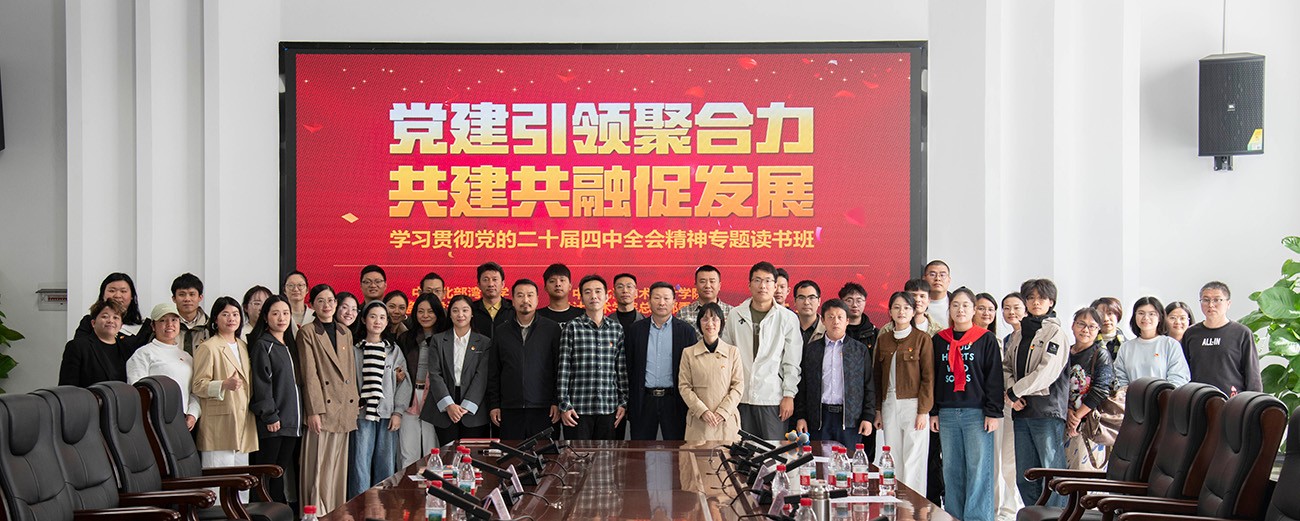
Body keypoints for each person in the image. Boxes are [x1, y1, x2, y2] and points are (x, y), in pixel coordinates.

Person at [931, 287, 1003, 521]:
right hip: (947, 413)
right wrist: (934, 412)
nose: (960, 310)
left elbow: (994, 377)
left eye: (965, 305)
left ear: (973, 310)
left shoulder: (986, 339)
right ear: (949, 310)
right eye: (955, 305)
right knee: (951, 469)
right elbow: (933, 377)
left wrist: (993, 412)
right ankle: (954, 516)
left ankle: (977, 518)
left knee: (978, 469)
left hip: (977, 413)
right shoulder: (939, 340)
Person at [1003, 279, 1070, 507]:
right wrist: (1012, 394)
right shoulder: (1019, 333)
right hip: (1022, 412)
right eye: (1030, 298)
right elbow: (1006, 366)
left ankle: (1057, 516)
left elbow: (1047, 371)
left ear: (1051, 302)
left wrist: (1015, 391)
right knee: (1025, 475)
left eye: (1041, 298)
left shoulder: (1055, 333)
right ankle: (1034, 514)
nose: (1035, 302)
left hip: (1046, 412)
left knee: (1053, 475)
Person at [720, 261, 802, 440]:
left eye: (767, 281)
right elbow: (726, 356)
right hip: (740, 397)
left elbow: (792, 361)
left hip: (772, 398)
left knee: (773, 451)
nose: (762, 286)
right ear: (749, 285)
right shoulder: (735, 314)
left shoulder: (787, 318)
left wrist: (789, 395)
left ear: (775, 286)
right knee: (741, 450)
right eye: (757, 280)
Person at [296, 284, 358, 514]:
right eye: (320, 301)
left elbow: (349, 373)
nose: (326, 305)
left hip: (344, 407)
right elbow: (309, 374)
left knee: (337, 465)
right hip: (322, 407)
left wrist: (354, 405)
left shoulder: (345, 332)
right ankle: (315, 512)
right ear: (312, 304)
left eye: (331, 300)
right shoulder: (307, 332)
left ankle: (335, 509)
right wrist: (313, 410)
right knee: (318, 464)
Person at [191, 297, 258, 499]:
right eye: (225, 314)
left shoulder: (243, 345)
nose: (231, 319)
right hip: (219, 424)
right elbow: (198, 385)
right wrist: (223, 384)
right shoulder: (208, 347)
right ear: (215, 319)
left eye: (235, 314)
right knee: (218, 484)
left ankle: (241, 513)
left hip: (243, 421)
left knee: (241, 483)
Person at [794, 299, 875, 451]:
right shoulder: (812, 350)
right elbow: (803, 385)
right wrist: (801, 416)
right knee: (819, 461)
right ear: (823, 321)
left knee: (847, 462)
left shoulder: (859, 350)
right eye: (830, 317)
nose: (835, 321)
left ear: (847, 321)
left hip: (850, 420)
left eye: (840, 317)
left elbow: (868, 385)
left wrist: (868, 417)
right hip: (819, 419)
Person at [873, 291, 933, 494]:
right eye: (897, 307)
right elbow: (877, 376)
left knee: (914, 457)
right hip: (889, 403)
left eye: (907, 308)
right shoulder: (884, 339)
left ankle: (913, 503)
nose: (902, 312)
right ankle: (896, 500)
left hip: (914, 404)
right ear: (890, 311)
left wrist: (923, 411)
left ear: (914, 311)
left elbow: (928, 377)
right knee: (892, 455)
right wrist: (878, 410)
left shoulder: (922, 339)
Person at [347, 301, 409, 498]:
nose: (377, 321)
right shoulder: (354, 349)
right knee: (360, 463)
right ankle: (359, 504)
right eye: (373, 316)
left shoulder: (393, 350)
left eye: (382, 317)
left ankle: (384, 504)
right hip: (361, 414)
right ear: (364, 319)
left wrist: (398, 412)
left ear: (387, 322)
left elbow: (404, 383)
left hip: (387, 413)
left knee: (386, 464)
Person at [487, 279, 563, 439]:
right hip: (510, 409)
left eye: (530, 295)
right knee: (511, 453)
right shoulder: (501, 331)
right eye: (520, 295)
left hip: (544, 409)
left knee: (545, 453)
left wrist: (556, 401)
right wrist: (494, 404)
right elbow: (494, 371)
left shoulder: (551, 329)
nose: (525, 300)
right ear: (513, 300)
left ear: (537, 299)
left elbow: (559, 368)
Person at [557, 274, 629, 440]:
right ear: (581, 298)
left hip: (609, 408)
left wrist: (623, 403)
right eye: (588, 292)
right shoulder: (572, 327)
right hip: (578, 409)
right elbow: (564, 369)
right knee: (578, 454)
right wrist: (564, 405)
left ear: (607, 296)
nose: (593, 296)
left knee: (607, 455)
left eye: (598, 291)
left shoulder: (616, 329)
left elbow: (621, 370)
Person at [247, 295, 302, 504]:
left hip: (291, 423)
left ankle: (278, 510)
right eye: (275, 313)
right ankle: (260, 512)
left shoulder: (289, 345)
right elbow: (261, 383)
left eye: (286, 313)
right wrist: (269, 415)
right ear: (266, 317)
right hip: (273, 422)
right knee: (265, 473)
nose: (281, 318)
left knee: (279, 472)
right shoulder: (264, 345)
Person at [625, 282, 698, 440]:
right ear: (649, 301)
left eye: (666, 298)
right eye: (657, 298)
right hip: (644, 399)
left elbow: (693, 370)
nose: (661, 302)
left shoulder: (686, 331)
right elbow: (629, 367)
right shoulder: (636, 330)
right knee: (640, 449)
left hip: (675, 400)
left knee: (677, 449)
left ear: (674, 302)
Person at [425, 296, 491, 441]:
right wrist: (449, 405)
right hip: (445, 401)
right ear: (450, 314)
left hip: (474, 406)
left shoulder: (484, 342)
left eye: (465, 310)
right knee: (448, 451)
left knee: (472, 451)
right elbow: (435, 374)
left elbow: (481, 376)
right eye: (455, 311)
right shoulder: (438, 340)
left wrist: (467, 405)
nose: (460, 315)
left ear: (472, 313)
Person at [127, 302, 202, 430]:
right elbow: (138, 390)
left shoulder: (187, 357)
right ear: (153, 326)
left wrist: (192, 415)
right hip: (153, 422)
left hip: (182, 422)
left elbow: (194, 392)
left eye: (174, 320)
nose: (169, 324)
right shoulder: (143, 354)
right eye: (162, 320)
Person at [678, 303, 745, 442]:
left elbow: (738, 386)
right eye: (705, 319)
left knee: (727, 455)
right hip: (699, 422)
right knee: (697, 455)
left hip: (726, 421)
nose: (710, 324)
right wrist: (702, 411)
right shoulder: (688, 353)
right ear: (699, 323)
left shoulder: (733, 352)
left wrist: (723, 411)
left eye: (714, 319)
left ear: (721, 323)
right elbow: (684, 387)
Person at [1182, 282, 1261, 395]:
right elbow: (1184, 370)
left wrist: (1254, 400)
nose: (1211, 305)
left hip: (1232, 400)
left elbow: (1253, 374)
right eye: (1206, 300)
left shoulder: (1241, 333)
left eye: (1217, 300)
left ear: (1228, 303)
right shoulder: (1191, 333)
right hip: (1198, 398)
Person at [1062, 308, 1113, 471]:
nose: (1086, 330)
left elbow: (1101, 390)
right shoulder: (1065, 352)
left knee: (1085, 473)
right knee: (1063, 472)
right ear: (1073, 325)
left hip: (1089, 424)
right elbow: (1057, 386)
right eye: (1081, 324)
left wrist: (1077, 417)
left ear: (1098, 329)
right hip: (1064, 419)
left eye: (1092, 326)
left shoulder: (1100, 354)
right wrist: (1068, 411)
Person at [396, 293, 444, 466]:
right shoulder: (405, 338)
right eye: (421, 311)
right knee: (408, 451)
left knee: (432, 449)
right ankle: (408, 482)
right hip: (410, 395)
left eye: (430, 311)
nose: (425, 315)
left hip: (434, 397)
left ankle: (432, 482)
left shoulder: (444, 337)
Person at [995, 291, 1026, 519]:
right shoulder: (1006, 340)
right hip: (1007, 404)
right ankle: (1009, 507)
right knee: (1005, 460)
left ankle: (1016, 508)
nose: (1011, 312)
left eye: (1016, 307)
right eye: (1006, 308)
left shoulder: (1032, 338)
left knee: (1016, 461)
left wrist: (1017, 394)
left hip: (1025, 405)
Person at [1113, 296, 1191, 387]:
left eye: (1152, 314)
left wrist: (1164, 393)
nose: (1146, 317)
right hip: (1132, 395)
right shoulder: (1126, 347)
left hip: (1164, 395)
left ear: (1160, 317)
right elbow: (1120, 378)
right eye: (1141, 313)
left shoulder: (1170, 345)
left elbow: (1178, 378)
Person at [60, 299, 131, 387]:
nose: (110, 321)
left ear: (121, 326)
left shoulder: (126, 349)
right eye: (105, 316)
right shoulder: (78, 346)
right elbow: (67, 388)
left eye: (115, 317)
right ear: (93, 323)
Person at [74, 273, 150, 348]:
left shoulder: (145, 328)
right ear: (103, 294)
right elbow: (78, 348)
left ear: (132, 296)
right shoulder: (89, 322)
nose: (117, 295)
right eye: (112, 291)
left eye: (123, 291)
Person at [675, 265, 734, 336]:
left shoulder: (732, 312)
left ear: (719, 285)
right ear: (696, 285)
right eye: (702, 281)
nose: (707, 286)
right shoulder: (683, 313)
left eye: (712, 281)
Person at [470, 262, 514, 338]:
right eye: (485, 280)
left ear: (503, 284)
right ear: (479, 285)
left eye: (495, 279)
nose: (490, 284)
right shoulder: (470, 310)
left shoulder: (513, 309)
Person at [172, 273, 209, 354]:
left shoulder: (210, 326)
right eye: (182, 295)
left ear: (200, 297)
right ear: (174, 298)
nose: (187, 299)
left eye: (192, 294)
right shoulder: (165, 327)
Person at [838, 282, 878, 349]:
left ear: (865, 303)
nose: (854, 305)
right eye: (849, 300)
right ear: (841, 302)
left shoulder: (875, 333)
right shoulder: (835, 330)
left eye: (859, 301)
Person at [793, 280, 825, 346]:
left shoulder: (827, 329)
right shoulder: (787, 327)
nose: (806, 302)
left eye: (811, 298)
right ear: (794, 301)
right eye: (801, 298)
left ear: (819, 301)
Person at [924, 261, 953, 328]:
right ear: (924, 279)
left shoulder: (956, 304)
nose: (937, 278)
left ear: (949, 280)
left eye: (942, 275)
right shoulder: (915, 303)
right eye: (932, 275)